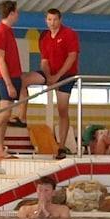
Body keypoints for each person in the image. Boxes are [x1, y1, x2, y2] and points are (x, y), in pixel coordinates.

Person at [0, 0, 32, 162]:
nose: (18, 14)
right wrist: (8, 83)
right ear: (11, 13)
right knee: (4, 113)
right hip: (5, 78)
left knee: (6, 114)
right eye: (16, 12)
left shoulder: (8, 31)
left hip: (13, 76)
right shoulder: (1, 31)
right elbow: (0, 59)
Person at [37, 9, 79, 158]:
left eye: (55, 20)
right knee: (26, 79)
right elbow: (44, 61)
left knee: (62, 110)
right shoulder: (45, 37)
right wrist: (49, 76)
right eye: (49, 20)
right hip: (51, 74)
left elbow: (72, 57)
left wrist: (58, 76)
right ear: (46, 21)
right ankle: (21, 117)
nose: (52, 23)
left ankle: (61, 146)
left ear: (60, 20)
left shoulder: (69, 34)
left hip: (66, 75)